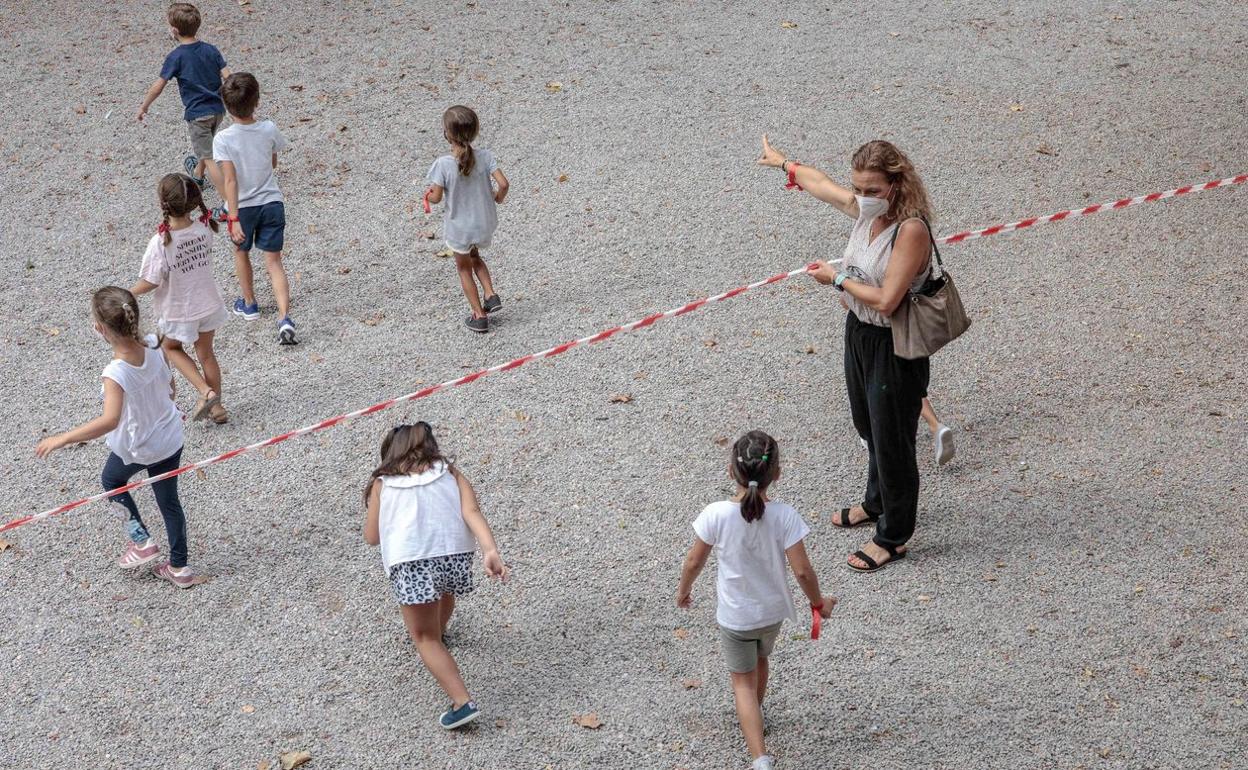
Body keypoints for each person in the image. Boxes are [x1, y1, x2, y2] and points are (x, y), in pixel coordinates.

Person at [758, 135, 939, 572]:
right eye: (858, 188)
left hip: (892, 343)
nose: (863, 197)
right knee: (868, 424)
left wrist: (837, 280)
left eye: (873, 190)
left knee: (893, 438)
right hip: (859, 333)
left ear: (897, 184)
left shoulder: (910, 229)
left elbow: (887, 299)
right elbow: (821, 185)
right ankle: (877, 502)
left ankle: (893, 536)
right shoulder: (864, 212)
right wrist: (784, 163)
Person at [676, 430, 836, 770]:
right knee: (761, 659)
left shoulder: (715, 514)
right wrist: (818, 602)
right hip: (771, 615)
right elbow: (803, 572)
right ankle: (756, 717)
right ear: (776, 473)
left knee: (741, 685)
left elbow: (694, 561)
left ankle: (759, 758)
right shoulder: (785, 516)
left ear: (730, 471)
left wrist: (684, 590)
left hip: (736, 618)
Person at [35, 287, 198, 588]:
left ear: (100, 329)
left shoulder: (115, 373)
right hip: (170, 437)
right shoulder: (155, 344)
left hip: (140, 447)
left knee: (112, 481)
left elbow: (109, 421)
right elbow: (171, 388)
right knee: (169, 502)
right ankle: (180, 567)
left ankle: (141, 540)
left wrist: (63, 438)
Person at [362, 422, 509, 730]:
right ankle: (441, 633)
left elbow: (372, 536)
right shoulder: (449, 472)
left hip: (413, 560)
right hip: (452, 555)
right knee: (443, 593)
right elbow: (472, 512)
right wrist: (489, 550)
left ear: (391, 453)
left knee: (423, 637)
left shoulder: (384, 483)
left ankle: (461, 702)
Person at [131, 173, 228, 424]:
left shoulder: (161, 242)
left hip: (179, 310)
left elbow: (151, 281)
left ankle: (206, 392)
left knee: (170, 347)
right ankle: (218, 408)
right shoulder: (204, 230)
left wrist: (130, 292)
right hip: (208, 303)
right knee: (206, 354)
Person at [213, 72, 297, 345]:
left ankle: (249, 303)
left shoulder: (223, 139)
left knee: (241, 252)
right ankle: (285, 317)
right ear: (257, 101)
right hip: (271, 202)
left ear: (227, 106)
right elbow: (272, 163)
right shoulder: (269, 129)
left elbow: (230, 180)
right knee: (274, 262)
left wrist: (233, 216)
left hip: (243, 207)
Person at [424, 105, 510, 334]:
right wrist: (498, 198)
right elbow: (503, 184)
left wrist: (428, 196)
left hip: (460, 229)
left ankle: (479, 315)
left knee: (464, 269)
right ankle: (490, 294)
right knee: (476, 257)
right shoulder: (486, 157)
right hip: (484, 223)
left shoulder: (443, 165)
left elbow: (436, 197)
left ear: (447, 134)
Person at [135, 2, 230, 193]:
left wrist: (144, 106)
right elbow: (229, 77)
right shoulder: (211, 50)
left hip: (198, 114)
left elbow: (158, 86)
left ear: (175, 30)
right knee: (206, 145)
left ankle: (228, 202)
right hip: (218, 110)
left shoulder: (176, 56)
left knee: (210, 157)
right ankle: (198, 175)